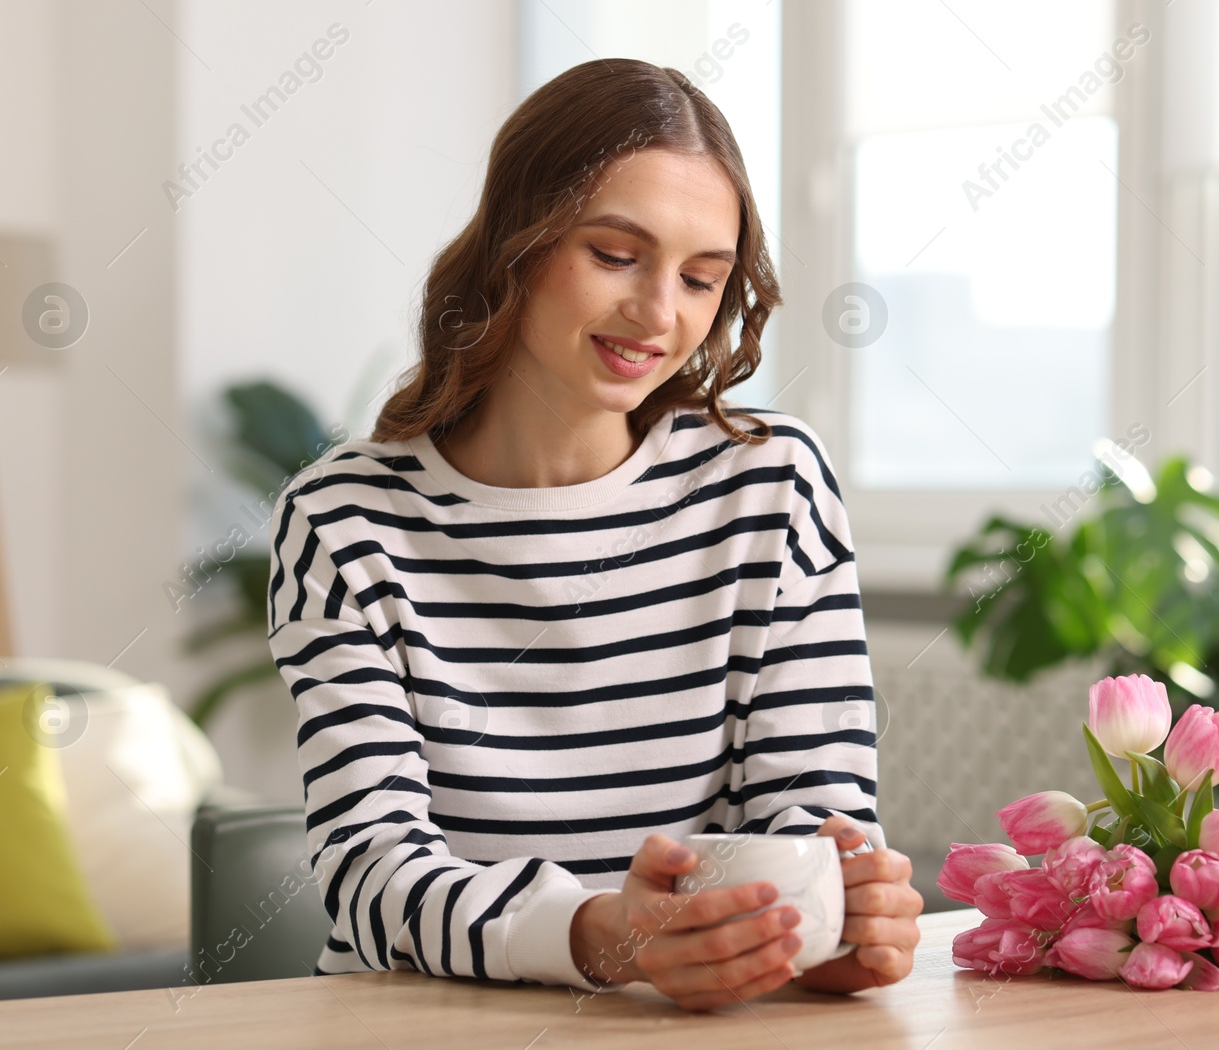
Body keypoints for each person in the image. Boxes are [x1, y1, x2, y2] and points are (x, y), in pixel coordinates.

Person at [266, 57, 921, 1013]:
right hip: (420, 1025)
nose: (660, 315)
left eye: (703, 278)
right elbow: (372, 873)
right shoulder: (346, 519)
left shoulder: (771, 487)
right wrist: (602, 935)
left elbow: (813, 814)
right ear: (514, 245)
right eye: (615, 255)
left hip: (687, 1029)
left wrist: (834, 915)